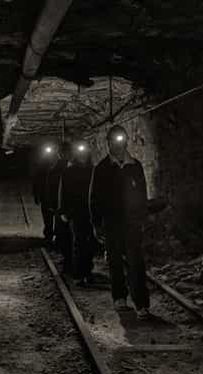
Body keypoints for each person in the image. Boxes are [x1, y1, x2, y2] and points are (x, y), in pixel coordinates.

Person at [89, 124, 151, 319]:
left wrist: (142, 218)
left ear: (125, 142)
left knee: (136, 262)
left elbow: (142, 194)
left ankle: (141, 303)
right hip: (112, 222)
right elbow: (94, 198)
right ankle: (119, 297)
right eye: (113, 141)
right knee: (115, 261)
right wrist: (97, 223)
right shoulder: (101, 169)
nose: (117, 145)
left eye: (120, 140)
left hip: (132, 222)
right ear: (108, 143)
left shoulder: (135, 166)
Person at [59, 139, 96, 285]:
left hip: (91, 212)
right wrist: (64, 211)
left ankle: (88, 270)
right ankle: (79, 273)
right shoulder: (69, 171)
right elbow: (63, 191)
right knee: (79, 242)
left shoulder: (93, 170)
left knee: (90, 242)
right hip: (76, 212)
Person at [46, 141, 73, 272]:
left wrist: (52, 205)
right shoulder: (62, 169)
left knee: (65, 234)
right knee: (66, 235)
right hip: (64, 206)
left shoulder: (56, 170)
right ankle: (68, 260)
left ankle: (68, 260)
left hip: (63, 207)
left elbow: (50, 188)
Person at [33, 143, 57, 246]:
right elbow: (37, 182)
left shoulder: (58, 166)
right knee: (48, 217)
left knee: (53, 217)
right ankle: (49, 235)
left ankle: (53, 235)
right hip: (46, 196)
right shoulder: (42, 168)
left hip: (53, 196)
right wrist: (36, 195)